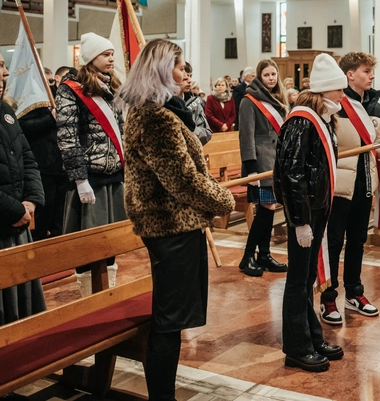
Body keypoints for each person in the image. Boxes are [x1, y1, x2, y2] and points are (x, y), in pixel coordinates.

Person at [120, 39, 235, 401]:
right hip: (170, 225)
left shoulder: (166, 111)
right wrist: (223, 198)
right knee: (169, 322)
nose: (186, 72)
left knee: (174, 319)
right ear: (159, 70)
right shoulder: (155, 117)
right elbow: (181, 179)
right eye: (179, 65)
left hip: (177, 223)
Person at [319, 52, 380, 326]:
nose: (371, 76)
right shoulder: (335, 105)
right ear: (350, 74)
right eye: (366, 71)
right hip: (340, 188)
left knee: (358, 242)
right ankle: (328, 297)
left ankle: (354, 292)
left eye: (371, 71)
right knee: (334, 242)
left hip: (364, 185)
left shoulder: (375, 108)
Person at [273, 53, 346, 373]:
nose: (342, 97)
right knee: (297, 280)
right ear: (325, 91)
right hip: (305, 214)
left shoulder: (324, 118)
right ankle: (297, 347)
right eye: (339, 90)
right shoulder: (302, 120)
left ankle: (313, 338)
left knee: (308, 279)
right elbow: (292, 173)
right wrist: (300, 221)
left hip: (317, 210)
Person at [56, 33, 125, 296]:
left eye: (111, 54)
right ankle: (89, 297)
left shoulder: (111, 87)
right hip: (90, 179)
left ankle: (108, 294)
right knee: (89, 246)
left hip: (113, 176)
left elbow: (119, 130)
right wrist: (80, 179)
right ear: (91, 58)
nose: (111, 58)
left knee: (112, 244)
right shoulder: (71, 88)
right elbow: (67, 137)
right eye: (106, 54)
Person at [238, 60, 290, 277]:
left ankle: (264, 255)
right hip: (260, 164)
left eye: (273, 74)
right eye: (267, 75)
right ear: (259, 77)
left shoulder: (277, 99)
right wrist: (251, 168)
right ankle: (248, 256)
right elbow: (246, 136)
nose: (271, 78)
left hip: (275, 162)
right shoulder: (249, 101)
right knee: (265, 210)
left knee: (268, 209)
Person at [0, 94, 46, 325]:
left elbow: (27, 158)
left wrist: (32, 200)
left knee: (23, 304)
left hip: (18, 222)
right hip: (5, 221)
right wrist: (13, 209)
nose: (5, 74)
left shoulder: (5, 110)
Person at [19, 100, 66, 242]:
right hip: (41, 164)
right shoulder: (27, 98)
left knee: (60, 212)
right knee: (44, 212)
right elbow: (22, 126)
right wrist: (50, 118)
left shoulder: (54, 94)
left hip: (60, 162)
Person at [182, 63, 212, 145]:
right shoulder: (166, 101)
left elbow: (207, 133)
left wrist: (191, 129)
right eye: (185, 76)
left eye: (190, 76)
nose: (189, 80)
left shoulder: (195, 102)